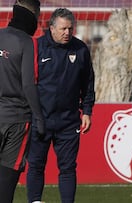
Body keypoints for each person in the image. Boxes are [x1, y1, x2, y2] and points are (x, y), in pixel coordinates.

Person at [26, 8, 95, 203]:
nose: (67, 33)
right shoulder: (36, 48)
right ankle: (35, 201)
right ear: (52, 28)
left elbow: (88, 84)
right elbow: (26, 83)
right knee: (36, 165)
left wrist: (87, 111)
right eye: (63, 28)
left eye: (70, 29)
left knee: (68, 167)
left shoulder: (80, 49)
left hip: (68, 121)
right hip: (40, 119)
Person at [0, 0, 44, 202]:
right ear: (34, 16)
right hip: (17, 120)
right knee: (7, 182)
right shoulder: (27, 42)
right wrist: (39, 117)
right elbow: (29, 84)